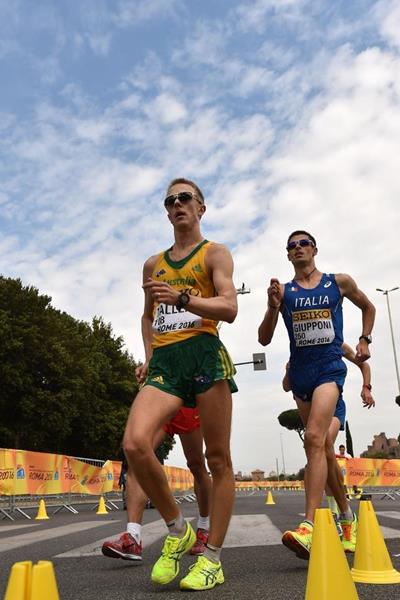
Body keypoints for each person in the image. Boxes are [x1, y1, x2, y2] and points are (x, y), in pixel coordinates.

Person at [123, 178, 238, 591]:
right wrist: (150, 357)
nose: (176, 205)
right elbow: (146, 316)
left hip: (204, 354)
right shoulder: (152, 263)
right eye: (169, 200)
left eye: (184, 197)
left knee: (218, 459)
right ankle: (178, 529)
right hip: (167, 362)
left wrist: (184, 299)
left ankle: (213, 559)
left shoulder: (215, 253)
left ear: (201, 207)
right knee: (136, 443)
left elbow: (229, 307)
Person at [258, 229, 375, 559]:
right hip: (301, 374)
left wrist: (365, 339)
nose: (298, 249)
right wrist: (271, 307)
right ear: (288, 255)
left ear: (315, 249)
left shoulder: (339, 282)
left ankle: (308, 526)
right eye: (291, 246)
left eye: (303, 244)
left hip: (328, 368)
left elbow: (369, 307)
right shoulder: (285, 291)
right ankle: (346, 515)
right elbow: (264, 339)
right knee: (321, 447)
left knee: (313, 438)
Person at [282, 341, 375, 550]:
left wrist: (366, 387)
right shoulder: (300, 348)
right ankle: (347, 516)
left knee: (323, 444)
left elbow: (364, 365)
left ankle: (311, 524)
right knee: (322, 455)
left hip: (334, 407)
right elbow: (286, 386)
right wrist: (289, 370)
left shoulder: (336, 343)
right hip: (313, 406)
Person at [102, 407, 211, 561]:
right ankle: (133, 537)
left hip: (186, 399)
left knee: (196, 464)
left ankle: (204, 528)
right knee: (136, 455)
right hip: (161, 395)